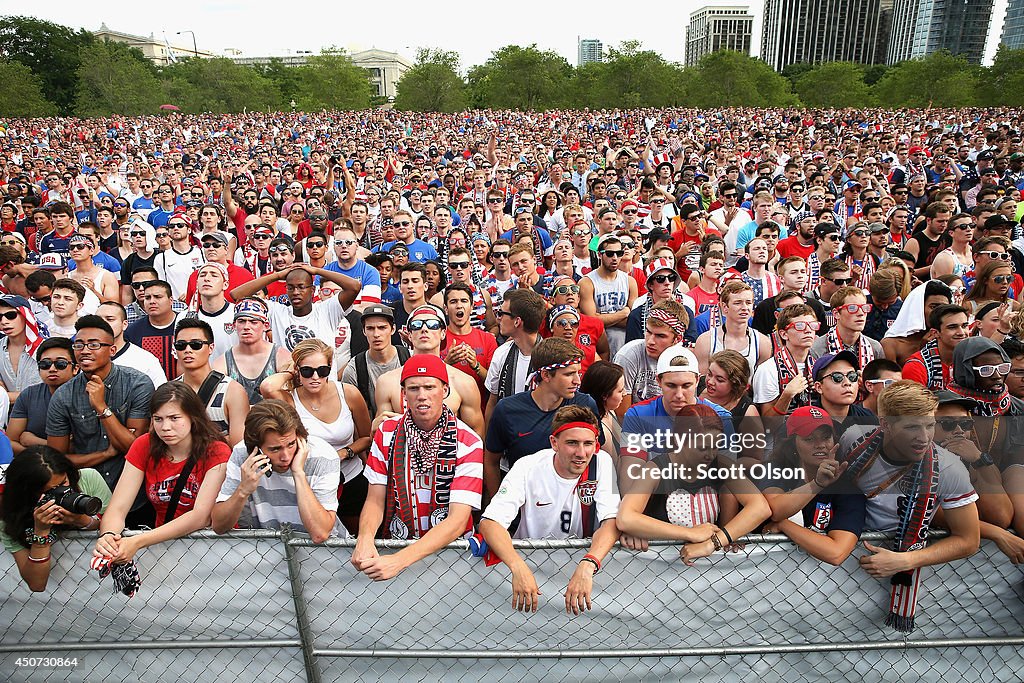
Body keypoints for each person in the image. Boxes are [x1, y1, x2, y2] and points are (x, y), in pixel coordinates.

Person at [839, 381, 979, 633]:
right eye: (912, 427)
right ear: (885, 425)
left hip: (902, 574)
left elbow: (969, 540)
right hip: (841, 560)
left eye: (930, 425)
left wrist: (906, 560)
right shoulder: (853, 438)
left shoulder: (949, 469)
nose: (924, 438)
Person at [479, 406, 620, 615]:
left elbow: (611, 522)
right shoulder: (528, 466)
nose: (581, 453)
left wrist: (589, 564)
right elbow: (490, 522)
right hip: (532, 566)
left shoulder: (602, 463)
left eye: (588, 444)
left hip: (580, 564)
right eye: (572, 443)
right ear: (554, 442)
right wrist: (517, 566)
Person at [353, 355, 483, 580]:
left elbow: (457, 520)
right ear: (403, 394)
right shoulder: (386, 433)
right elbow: (375, 498)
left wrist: (399, 561)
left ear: (445, 390)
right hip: (397, 543)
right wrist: (364, 539)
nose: (422, 396)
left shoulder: (468, 442)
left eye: (429, 387)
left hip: (451, 556)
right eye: (413, 388)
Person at [93, 381, 231, 567]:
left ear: (193, 417)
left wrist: (137, 541)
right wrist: (108, 537)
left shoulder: (216, 451)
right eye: (158, 419)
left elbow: (201, 516)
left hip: (212, 550)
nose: (165, 427)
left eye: (174, 418)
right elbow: (117, 508)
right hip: (165, 547)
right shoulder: (144, 445)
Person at [617, 404, 770, 561]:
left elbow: (760, 507)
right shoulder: (656, 469)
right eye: (702, 448)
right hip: (663, 564)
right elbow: (625, 517)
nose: (710, 455)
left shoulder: (721, 464)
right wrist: (690, 533)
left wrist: (714, 542)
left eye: (716, 447)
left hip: (708, 566)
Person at [47, 315, 155, 518]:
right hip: (85, 500)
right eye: (79, 345)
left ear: (112, 350)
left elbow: (134, 447)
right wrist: (104, 455)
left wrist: (101, 407)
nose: (85, 350)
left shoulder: (138, 384)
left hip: (135, 498)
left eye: (94, 345)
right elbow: (56, 461)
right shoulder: (63, 395)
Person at [260, 339, 372, 533]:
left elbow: (367, 438)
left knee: (356, 537)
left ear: (330, 368)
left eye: (322, 371)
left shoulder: (348, 393)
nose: (315, 377)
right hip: (313, 481)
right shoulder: (290, 400)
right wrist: (289, 373)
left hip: (350, 477)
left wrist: (343, 453)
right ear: (297, 370)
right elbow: (268, 387)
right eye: (306, 371)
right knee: (318, 539)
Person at [484, 337, 602, 501]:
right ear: (546, 375)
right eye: (569, 374)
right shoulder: (507, 410)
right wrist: (499, 503)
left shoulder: (585, 404)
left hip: (572, 504)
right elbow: (491, 461)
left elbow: (597, 454)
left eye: (578, 373)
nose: (577, 381)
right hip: (524, 506)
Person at [212, 399, 343, 542]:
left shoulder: (323, 455)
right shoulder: (243, 454)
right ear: (256, 448)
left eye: (291, 444)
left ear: (299, 436)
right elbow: (219, 526)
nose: (285, 456)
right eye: (275, 449)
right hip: (266, 550)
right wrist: (242, 491)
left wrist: (298, 474)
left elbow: (320, 533)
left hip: (320, 553)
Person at [762, 406, 866, 566]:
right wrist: (816, 485)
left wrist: (784, 525)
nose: (820, 445)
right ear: (792, 444)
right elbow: (775, 510)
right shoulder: (776, 470)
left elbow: (836, 553)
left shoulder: (847, 486)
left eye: (826, 437)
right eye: (809, 439)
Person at [0, 446, 111, 591]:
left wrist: (81, 520)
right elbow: (36, 584)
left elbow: (117, 527)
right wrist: (40, 532)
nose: (62, 492)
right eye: (50, 491)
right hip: (53, 599)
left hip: (103, 586)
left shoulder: (88, 479)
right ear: (28, 493)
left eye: (63, 483)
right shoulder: (12, 518)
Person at [229, 262, 359, 355]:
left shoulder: (327, 310)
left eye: (301, 287)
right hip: (287, 388)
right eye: (290, 288)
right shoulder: (277, 311)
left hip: (321, 384)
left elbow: (354, 286)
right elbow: (237, 295)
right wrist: (278, 276)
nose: (296, 292)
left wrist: (317, 271)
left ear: (313, 290)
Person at [172, 318, 249, 446]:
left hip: (220, 463)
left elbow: (238, 446)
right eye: (181, 345)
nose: (188, 350)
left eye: (196, 344)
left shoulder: (232, 391)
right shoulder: (170, 391)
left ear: (211, 347)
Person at [614, 299, 689, 415]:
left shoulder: (684, 361)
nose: (650, 341)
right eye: (648, 332)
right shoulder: (628, 355)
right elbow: (622, 414)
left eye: (660, 336)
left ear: (677, 339)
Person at [211, 298, 290, 406]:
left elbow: (291, 400)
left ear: (265, 326)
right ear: (234, 325)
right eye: (241, 321)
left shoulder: (281, 357)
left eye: (253, 322)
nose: (247, 327)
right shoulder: (222, 363)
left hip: (275, 419)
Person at [7, 338, 77, 456]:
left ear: (75, 368)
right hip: (33, 467)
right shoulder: (29, 395)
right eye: (45, 364)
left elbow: (80, 447)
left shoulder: (86, 396)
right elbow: (10, 442)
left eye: (60, 364)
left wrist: (34, 441)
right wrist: (40, 458)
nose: (52, 369)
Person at [341, 304, 411, 416]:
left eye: (382, 327)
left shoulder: (409, 358)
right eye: (370, 328)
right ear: (364, 331)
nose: (376, 334)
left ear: (392, 329)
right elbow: (349, 411)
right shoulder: (355, 368)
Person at [694, 279, 771, 375]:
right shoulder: (705, 341)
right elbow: (701, 383)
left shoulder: (762, 343)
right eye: (737, 303)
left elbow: (761, 383)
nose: (744, 308)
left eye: (748, 303)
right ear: (725, 307)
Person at [485, 288, 546, 406]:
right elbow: (493, 403)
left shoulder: (553, 358)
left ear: (517, 321)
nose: (498, 318)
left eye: (501, 313)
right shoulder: (501, 353)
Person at [580, 234, 637, 357]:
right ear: (600, 254)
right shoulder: (587, 282)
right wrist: (622, 314)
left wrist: (603, 318)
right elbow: (591, 321)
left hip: (624, 345)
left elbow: (633, 321)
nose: (615, 258)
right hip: (598, 346)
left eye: (619, 253)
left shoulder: (629, 281)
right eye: (610, 254)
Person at [95, 301, 168, 390]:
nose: (103, 324)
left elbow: (161, 396)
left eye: (110, 319)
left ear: (124, 324)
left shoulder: (146, 360)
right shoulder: (86, 355)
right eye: (98, 320)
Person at [810, 286, 884, 365]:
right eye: (852, 308)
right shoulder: (818, 349)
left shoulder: (875, 348)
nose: (861, 313)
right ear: (836, 314)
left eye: (865, 307)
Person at [902, 304, 970, 390]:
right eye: (952, 327)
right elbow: (915, 402)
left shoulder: (974, 359)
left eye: (964, 326)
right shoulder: (916, 367)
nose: (961, 333)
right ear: (935, 333)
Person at [124, 279, 180, 380]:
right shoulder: (132, 331)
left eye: (158, 297)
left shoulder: (185, 325)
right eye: (147, 298)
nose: (152, 301)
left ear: (171, 300)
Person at [0, 294, 45, 404]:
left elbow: (45, 392)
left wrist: (5, 397)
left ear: (26, 316)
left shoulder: (46, 348)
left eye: (11, 315)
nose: (4, 321)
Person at [580, 360, 627, 458]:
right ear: (605, 395)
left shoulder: (610, 411)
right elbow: (616, 466)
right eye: (620, 390)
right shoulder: (601, 430)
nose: (625, 393)